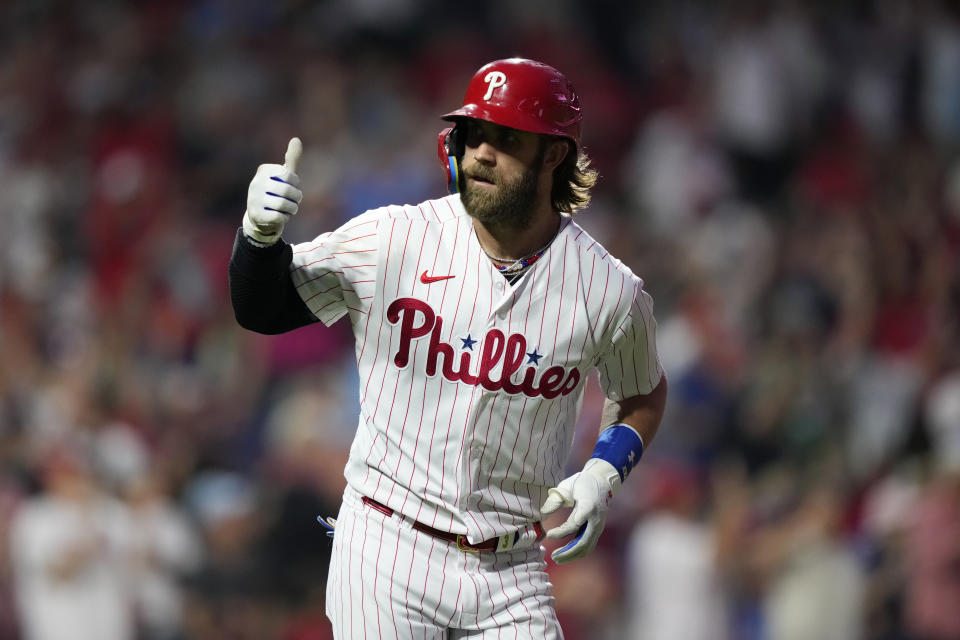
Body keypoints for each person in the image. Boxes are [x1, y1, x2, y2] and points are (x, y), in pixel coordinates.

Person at [229, 57, 667, 638]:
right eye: (474, 132)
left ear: (554, 154)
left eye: (506, 138)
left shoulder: (609, 289)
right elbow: (261, 308)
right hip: (386, 548)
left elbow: (642, 391)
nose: (482, 152)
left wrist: (604, 471)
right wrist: (258, 240)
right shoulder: (392, 237)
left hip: (514, 569)